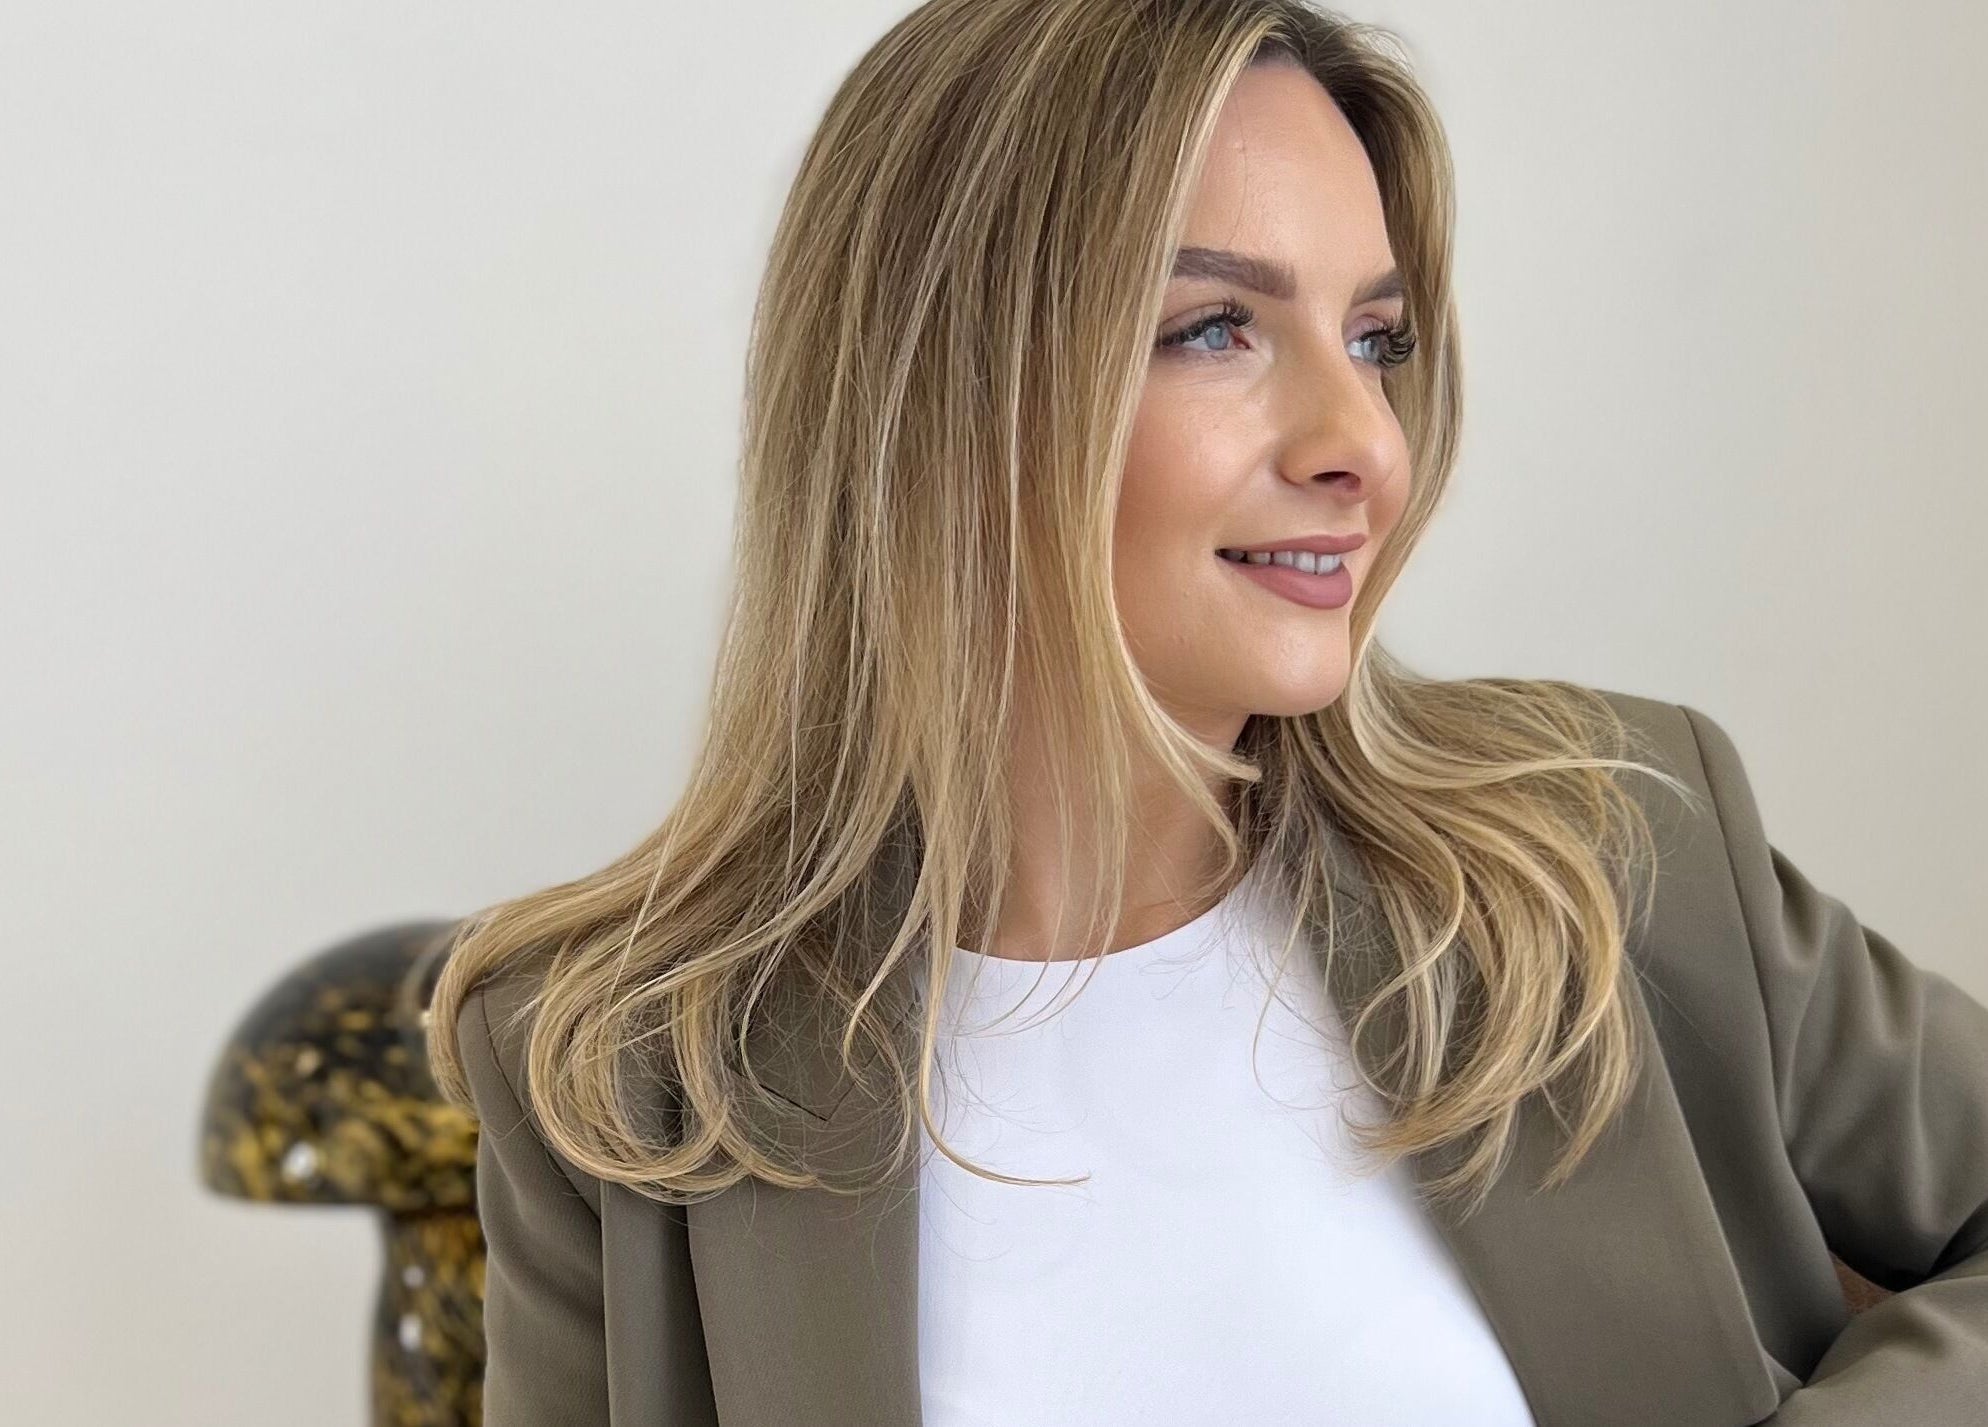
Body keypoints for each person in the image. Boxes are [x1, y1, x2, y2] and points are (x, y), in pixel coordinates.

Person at [425, 2, 1988, 1423]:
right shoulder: (622, 1074)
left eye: (1376, 340)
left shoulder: (1617, 844)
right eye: (1216, 329)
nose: (1363, 443)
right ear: (944, 397)